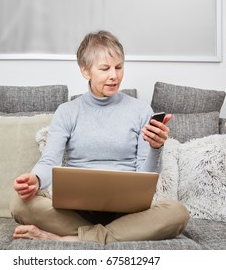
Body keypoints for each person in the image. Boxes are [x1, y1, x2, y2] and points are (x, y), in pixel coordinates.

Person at [10, 31, 189, 244]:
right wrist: (36, 180)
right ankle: (107, 236)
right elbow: (50, 161)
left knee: (177, 212)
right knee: (19, 204)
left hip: (129, 214)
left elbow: (145, 175)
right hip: (77, 212)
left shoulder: (141, 111)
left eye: (119, 67)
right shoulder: (67, 111)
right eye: (105, 68)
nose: (114, 75)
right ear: (86, 70)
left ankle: (68, 239)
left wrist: (155, 148)